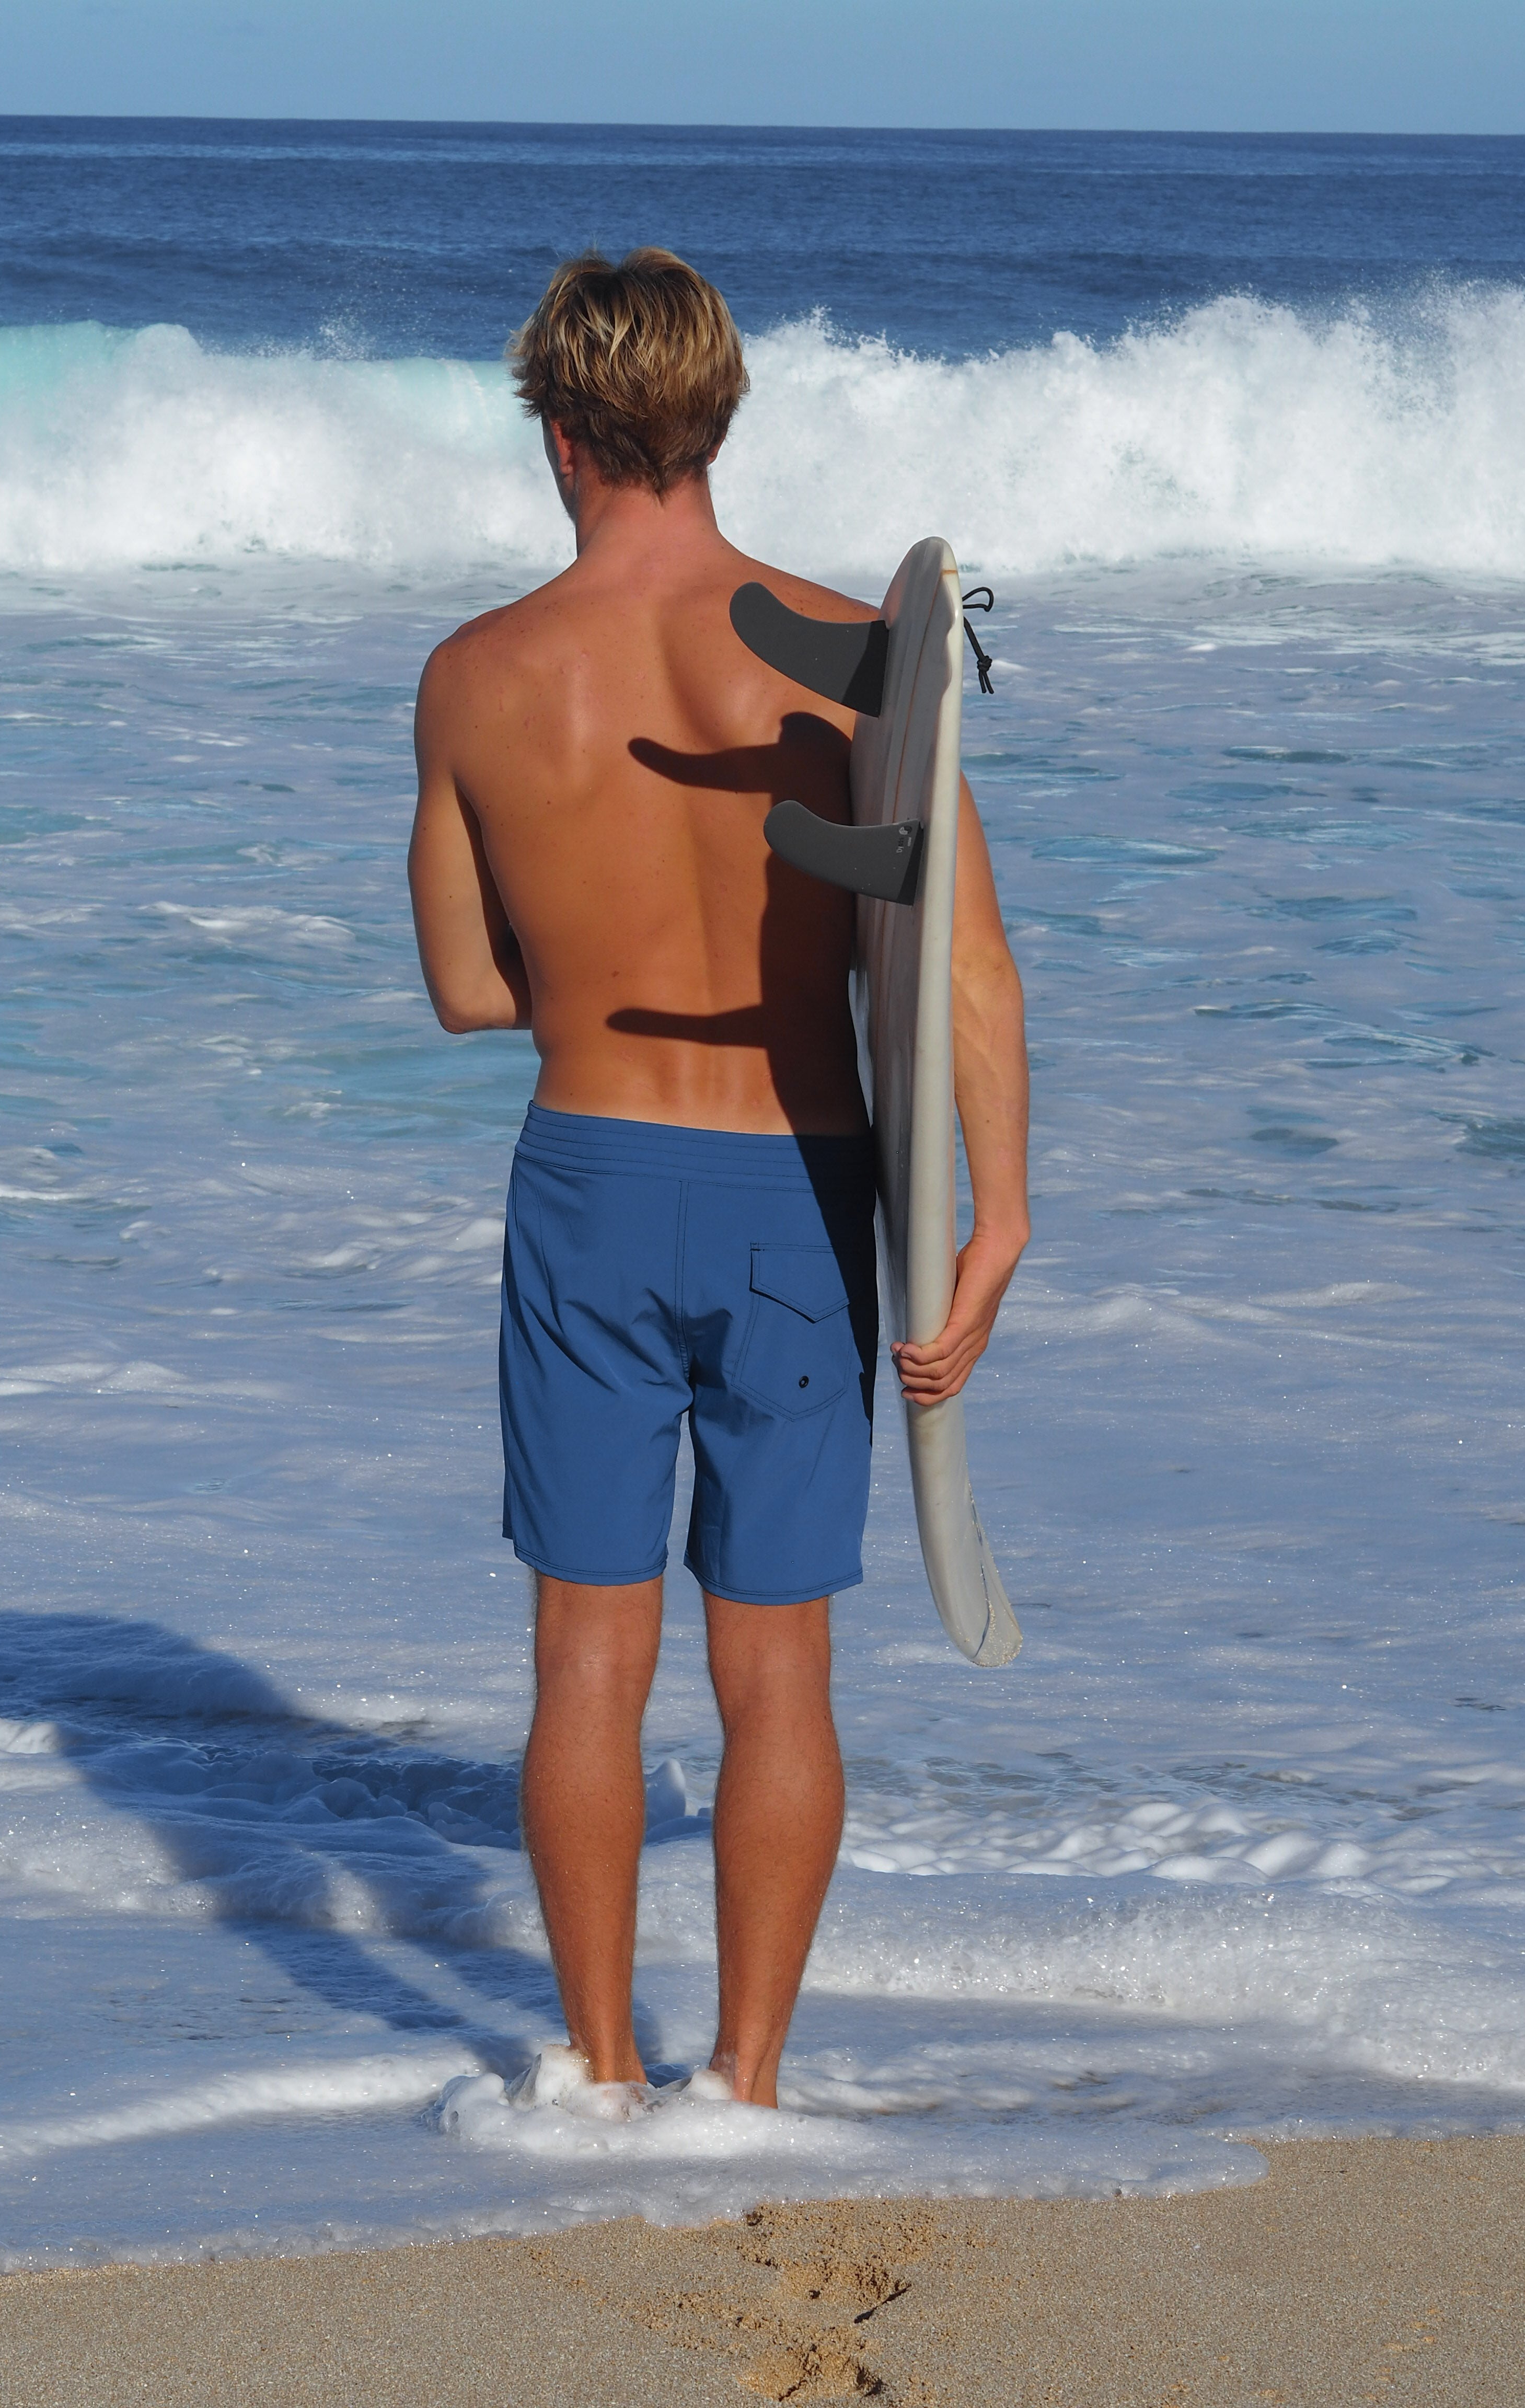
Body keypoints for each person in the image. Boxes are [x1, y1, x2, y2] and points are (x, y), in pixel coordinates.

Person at [407, 249, 1029, 2113]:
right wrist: (1001, 1226)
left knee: (588, 1656)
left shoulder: (479, 676)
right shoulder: (862, 670)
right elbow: (964, 976)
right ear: (716, 419)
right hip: (801, 1188)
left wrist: (590, 989)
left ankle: (596, 2082)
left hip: (591, 1178)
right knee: (780, 1671)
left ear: (563, 428)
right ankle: (744, 2083)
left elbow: (458, 991)